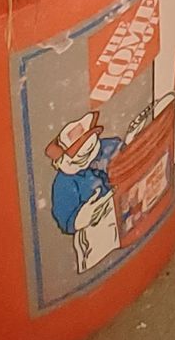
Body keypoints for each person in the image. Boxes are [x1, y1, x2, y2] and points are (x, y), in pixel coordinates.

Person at [45, 112, 124, 275]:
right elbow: (64, 218)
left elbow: (120, 150)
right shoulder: (64, 182)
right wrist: (81, 218)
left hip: (121, 215)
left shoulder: (105, 148)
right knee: (102, 261)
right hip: (93, 236)